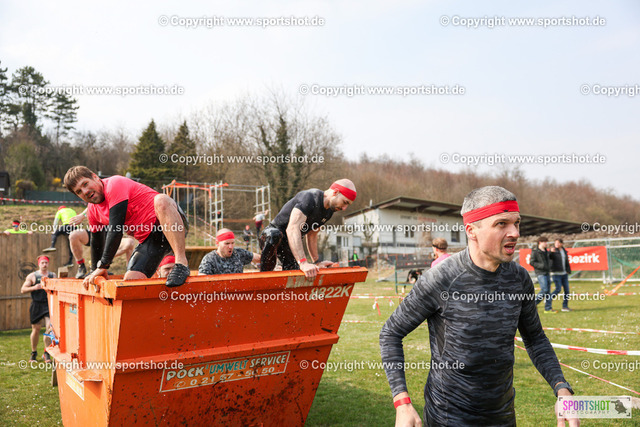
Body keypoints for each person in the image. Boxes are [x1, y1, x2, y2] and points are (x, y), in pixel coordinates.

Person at [380, 186, 577, 426]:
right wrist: (402, 402)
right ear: (471, 230)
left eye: (516, 223)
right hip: (448, 417)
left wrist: (561, 388)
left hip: (502, 415)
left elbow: (535, 338)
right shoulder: (440, 279)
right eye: (501, 224)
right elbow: (391, 333)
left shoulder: (519, 278)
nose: (515, 232)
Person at [63, 166, 190, 288]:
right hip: (151, 240)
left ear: (95, 177)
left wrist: (104, 265)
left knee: (161, 200)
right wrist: (95, 270)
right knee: (131, 281)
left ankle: (181, 263)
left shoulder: (114, 184)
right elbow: (96, 242)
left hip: (171, 223)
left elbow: (115, 229)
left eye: (85, 184)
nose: (85, 191)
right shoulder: (92, 211)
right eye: (79, 191)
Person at [259, 180, 356, 279]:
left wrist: (317, 262)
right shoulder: (310, 198)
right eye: (345, 202)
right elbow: (292, 229)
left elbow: (312, 235)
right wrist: (303, 262)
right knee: (274, 234)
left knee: (293, 274)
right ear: (336, 192)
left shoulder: (329, 212)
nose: (344, 208)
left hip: (288, 244)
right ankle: (263, 276)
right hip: (270, 236)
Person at [21, 255, 56, 362]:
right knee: (35, 330)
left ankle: (46, 353)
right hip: (36, 305)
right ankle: (34, 352)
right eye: (42, 263)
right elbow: (23, 289)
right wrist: (34, 287)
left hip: (48, 305)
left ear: (48, 264)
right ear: (39, 264)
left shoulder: (52, 275)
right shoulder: (33, 276)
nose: (44, 264)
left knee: (49, 328)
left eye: (46, 262)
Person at [69, 228, 137, 278]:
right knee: (73, 235)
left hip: (112, 236)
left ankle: (129, 270)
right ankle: (81, 266)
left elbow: (131, 233)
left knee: (130, 242)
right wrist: (83, 215)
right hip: (95, 232)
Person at [530, 237, 555, 313]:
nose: (546, 243)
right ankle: (533, 305)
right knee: (544, 290)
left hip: (547, 272)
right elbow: (532, 262)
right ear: (540, 242)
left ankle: (548, 308)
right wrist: (542, 266)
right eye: (545, 242)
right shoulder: (535, 251)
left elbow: (550, 259)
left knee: (548, 292)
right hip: (540, 273)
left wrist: (551, 253)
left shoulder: (546, 251)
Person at [550, 238, 572, 312]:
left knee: (567, 291)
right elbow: (549, 257)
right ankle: (548, 299)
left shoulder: (564, 251)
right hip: (556, 273)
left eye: (558, 243)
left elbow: (566, 261)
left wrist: (568, 270)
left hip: (564, 274)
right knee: (558, 289)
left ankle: (565, 307)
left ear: (562, 244)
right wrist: (551, 252)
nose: (557, 244)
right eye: (556, 243)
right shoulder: (553, 251)